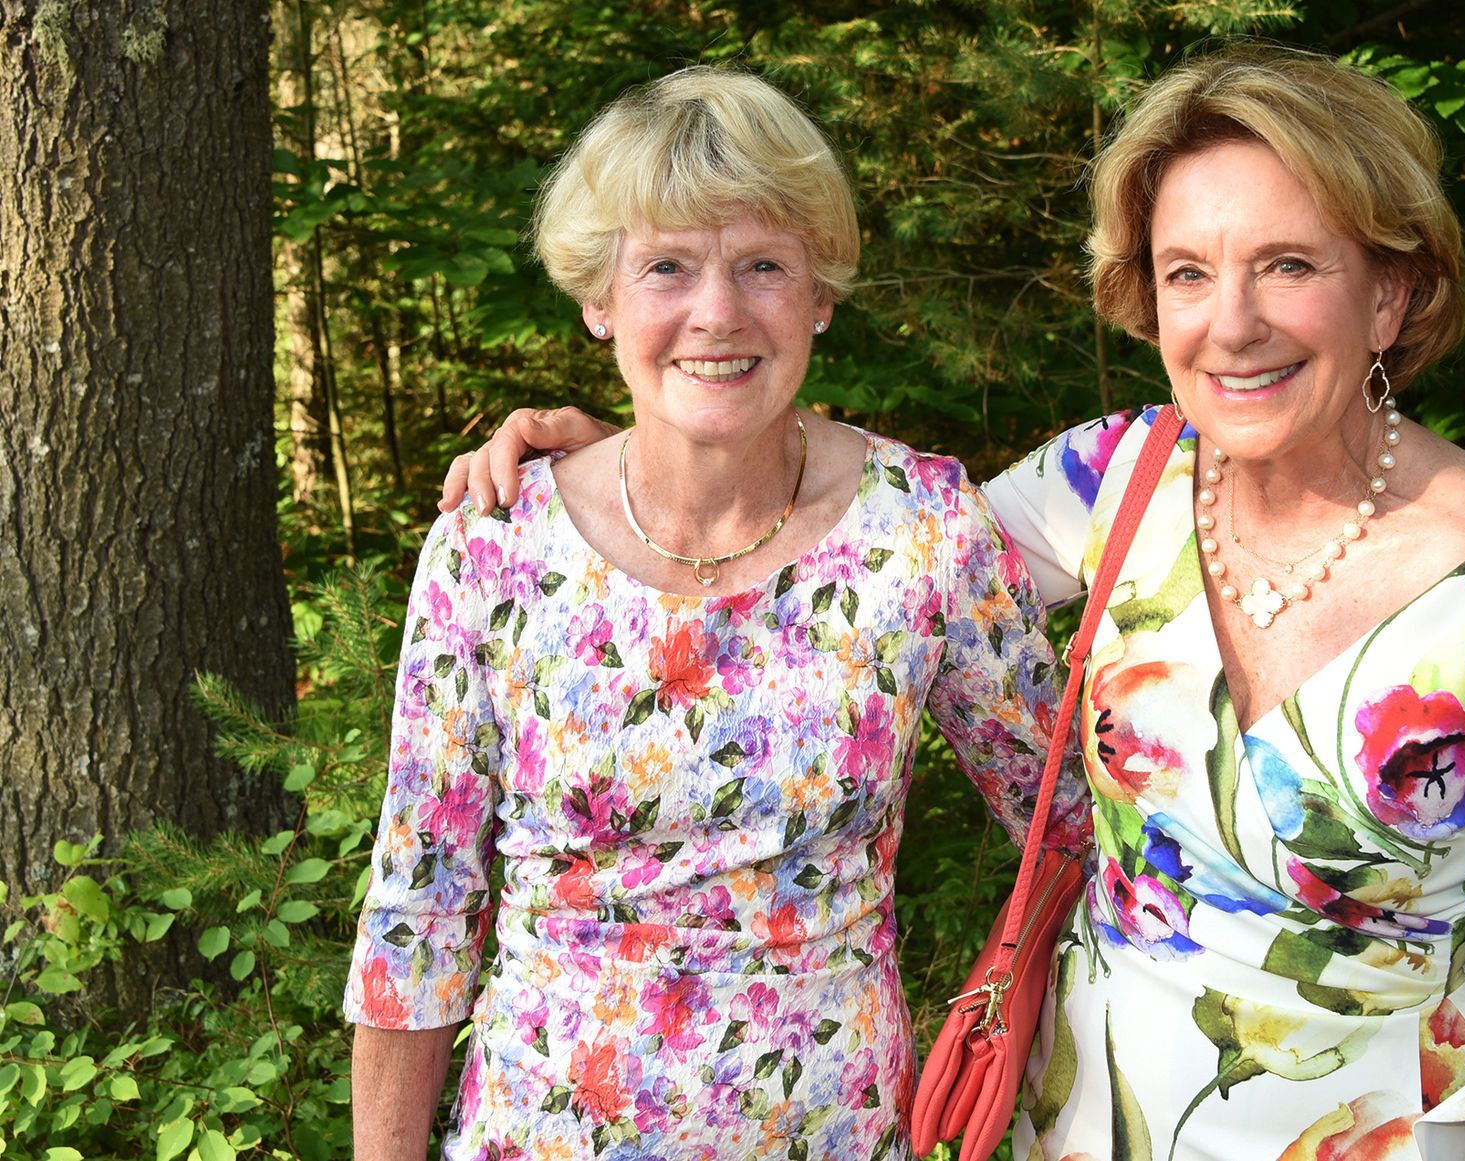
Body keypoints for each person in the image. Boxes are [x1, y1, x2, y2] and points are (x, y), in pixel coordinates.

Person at [451, 46, 1465, 1160]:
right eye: (1188, 273)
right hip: (1078, 1120)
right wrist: (638, 467)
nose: (1233, 322)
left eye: (1290, 264)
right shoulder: (1118, 478)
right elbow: (845, 546)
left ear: (1390, 294)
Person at [347, 66, 1089, 1161]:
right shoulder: (494, 547)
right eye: (666, 266)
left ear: (822, 293)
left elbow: (1069, 827)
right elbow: (419, 914)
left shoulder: (922, 531)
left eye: (762, 267)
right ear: (599, 298)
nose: (718, 311)